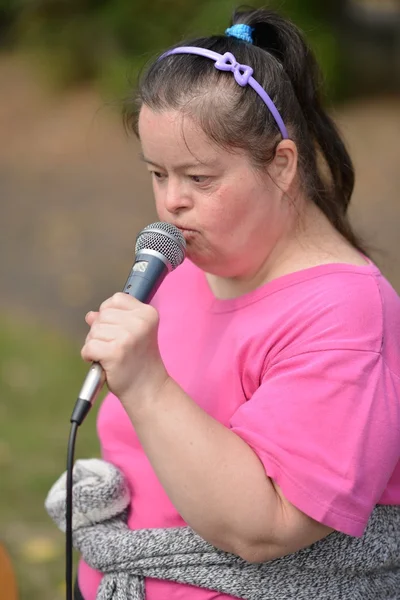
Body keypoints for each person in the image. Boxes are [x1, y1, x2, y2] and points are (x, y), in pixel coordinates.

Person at [71, 6, 400, 600]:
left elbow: (267, 528)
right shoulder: (180, 267)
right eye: (157, 173)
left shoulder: (343, 312)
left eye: (200, 179)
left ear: (281, 165)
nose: (172, 203)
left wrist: (145, 382)